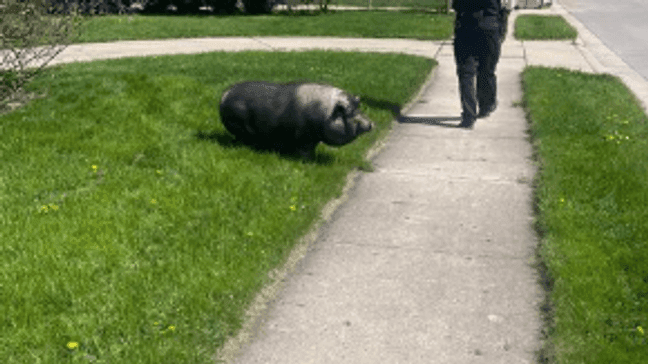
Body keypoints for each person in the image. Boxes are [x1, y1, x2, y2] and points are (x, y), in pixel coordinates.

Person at [452, 0, 505, 128]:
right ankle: (486, 105)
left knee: (466, 72)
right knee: (487, 69)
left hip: (466, 24)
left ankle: (468, 116)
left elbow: (456, 5)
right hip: (489, 25)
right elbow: (505, 5)